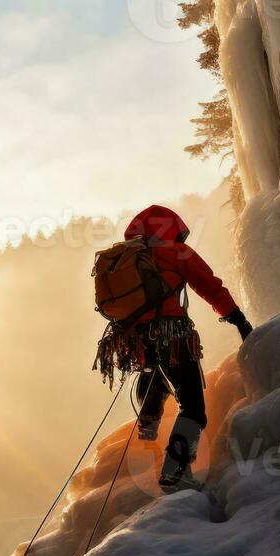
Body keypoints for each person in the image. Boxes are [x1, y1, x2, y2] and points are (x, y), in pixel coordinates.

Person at [93, 204, 253, 492]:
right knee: (193, 408)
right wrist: (238, 320)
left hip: (138, 341)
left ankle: (149, 418)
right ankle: (175, 471)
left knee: (157, 370)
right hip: (173, 335)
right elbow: (209, 286)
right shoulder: (175, 252)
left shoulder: (127, 258)